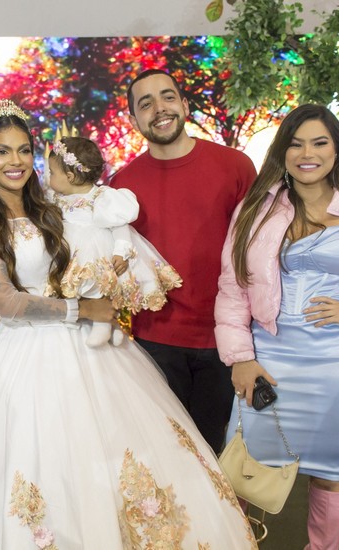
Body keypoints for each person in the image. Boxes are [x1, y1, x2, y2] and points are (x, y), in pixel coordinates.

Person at [0, 99, 257, 548]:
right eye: (2, 151)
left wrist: (113, 275)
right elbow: (5, 303)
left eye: (24, 150)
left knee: (118, 455)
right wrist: (83, 310)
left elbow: (98, 240)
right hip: (24, 354)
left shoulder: (50, 206)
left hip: (91, 349)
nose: (15, 161)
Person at [215, 104, 339, 549]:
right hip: (268, 358)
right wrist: (240, 358)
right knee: (241, 464)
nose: (307, 153)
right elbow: (232, 289)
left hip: (337, 363)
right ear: (282, 152)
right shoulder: (255, 211)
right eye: (296, 144)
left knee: (330, 470)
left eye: (319, 143)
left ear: (338, 150)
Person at [111, 68, 257, 452]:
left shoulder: (236, 167)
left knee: (216, 452)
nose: (159, 108)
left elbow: (257, 250)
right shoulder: (122, 187)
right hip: (155, 340)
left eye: (168, 97)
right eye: (146, 103)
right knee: (165, 454)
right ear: (133, 120)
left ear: (185, 105)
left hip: (225, 338)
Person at [45, 136, 182, 347]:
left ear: (70, 176)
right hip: (69, 247)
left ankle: (105, 324)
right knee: (75, 284)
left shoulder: (102, 197)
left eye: (52, 172)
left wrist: (121, 251)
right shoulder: (55, 197)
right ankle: (105, 323)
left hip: (96, 247)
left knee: (100, 285)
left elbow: (119, 225)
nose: (49, 177)